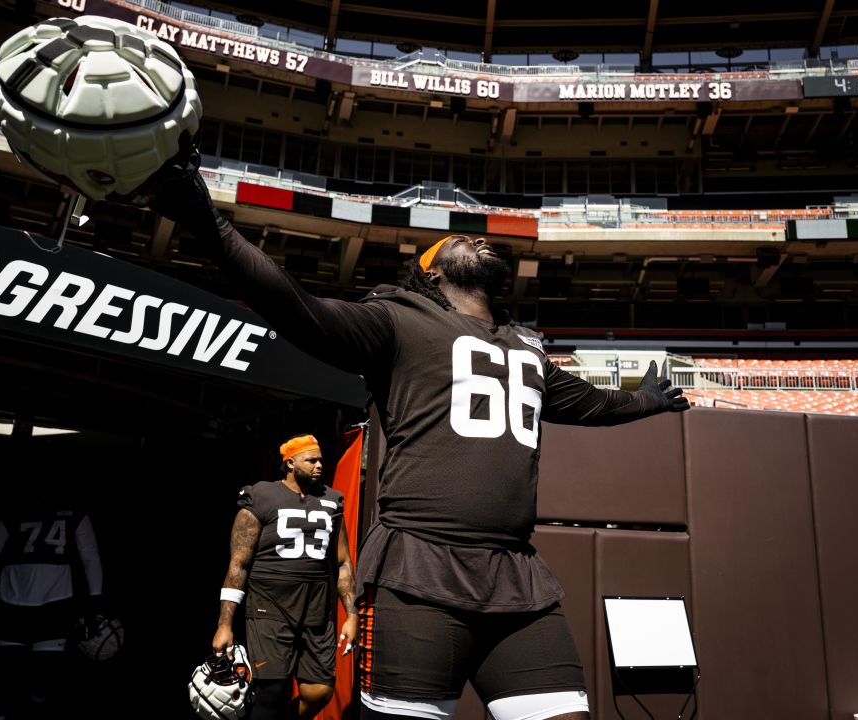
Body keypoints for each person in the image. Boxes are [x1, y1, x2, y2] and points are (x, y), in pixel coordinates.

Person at [142, 142, 690, 720]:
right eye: (459, 240)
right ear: (431, 271)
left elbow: (590, 404)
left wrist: (644, 401)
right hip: (419, 572)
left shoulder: (525, 346)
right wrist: (205, 219)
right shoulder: (397, 320)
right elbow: (290, 301)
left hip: (516, 577)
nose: (477, 239)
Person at [210, 434, 358, 720]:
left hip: (317, 609)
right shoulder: (262, 496)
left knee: (319, 691)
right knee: (271, 693)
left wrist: (351, 614)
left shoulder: (331, 499)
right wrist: (224, 624)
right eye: (311, 460)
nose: (319, 465)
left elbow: (342, 562)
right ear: (290, 463)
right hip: (270, 606)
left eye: (321, 460)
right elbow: (238, 565)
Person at [0, 473, 105, 719]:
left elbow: (90, 556)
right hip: (15, 605)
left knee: (40, 683)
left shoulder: (73, 512)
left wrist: (95, 602)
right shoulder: (13, 512)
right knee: (4, 684)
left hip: (51, 606)